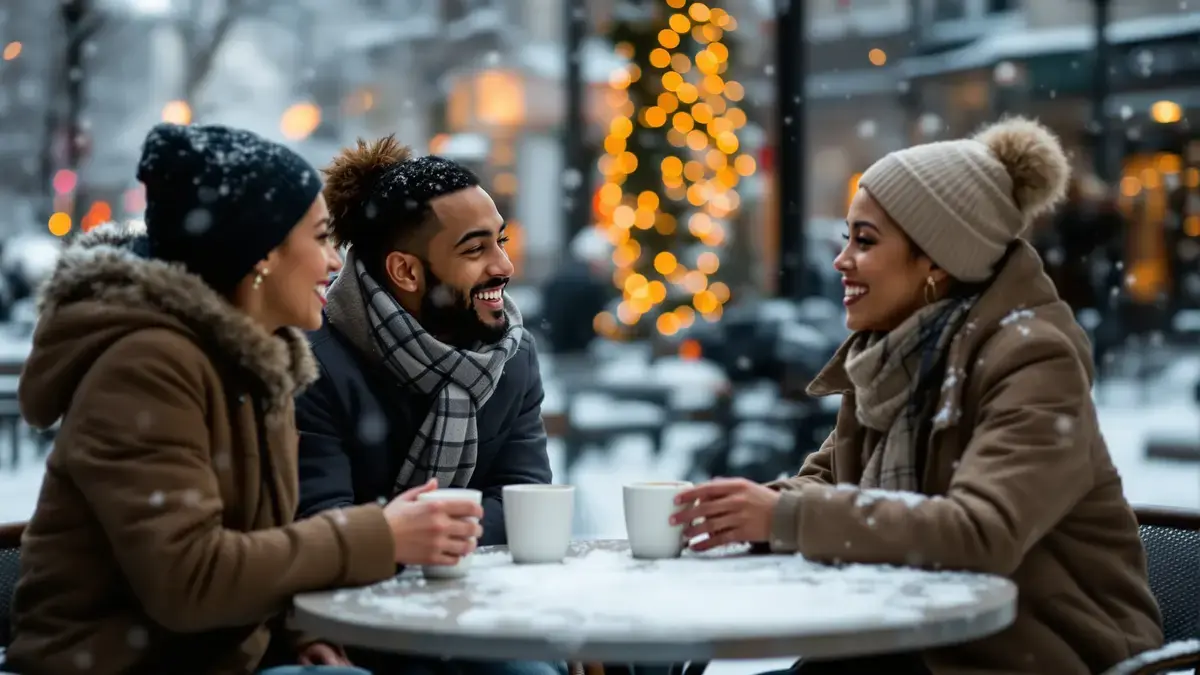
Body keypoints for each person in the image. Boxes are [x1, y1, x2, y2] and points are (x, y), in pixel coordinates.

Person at [669, 117, 1163, 674]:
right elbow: (828, 482)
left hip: (1029, 656)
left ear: (935, 260)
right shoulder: (893, 355)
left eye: (866, 241)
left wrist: (785, 516)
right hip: (901, 647)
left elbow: (982, 532)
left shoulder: (1033, 360)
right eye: (846, 238)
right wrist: (737, 512)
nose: (841, 260)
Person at [6, 123, 482, 675]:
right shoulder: (146, 367)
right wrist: (382, 534)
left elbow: (254, 544)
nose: (335, 262)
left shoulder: (258, 359)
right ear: (262, 255)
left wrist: (298, 634)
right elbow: (189, 580)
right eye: (322, 237)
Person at [294, 135, 557, 675]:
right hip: (358, 632)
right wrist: (405, 532)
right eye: (475, 249)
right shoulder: (315, 365)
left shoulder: (513, 356)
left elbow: (527, 506)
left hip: (485, 610)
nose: (503, 266)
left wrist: (416, 530)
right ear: (406, 272)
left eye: (500, 241)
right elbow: (324, 532)